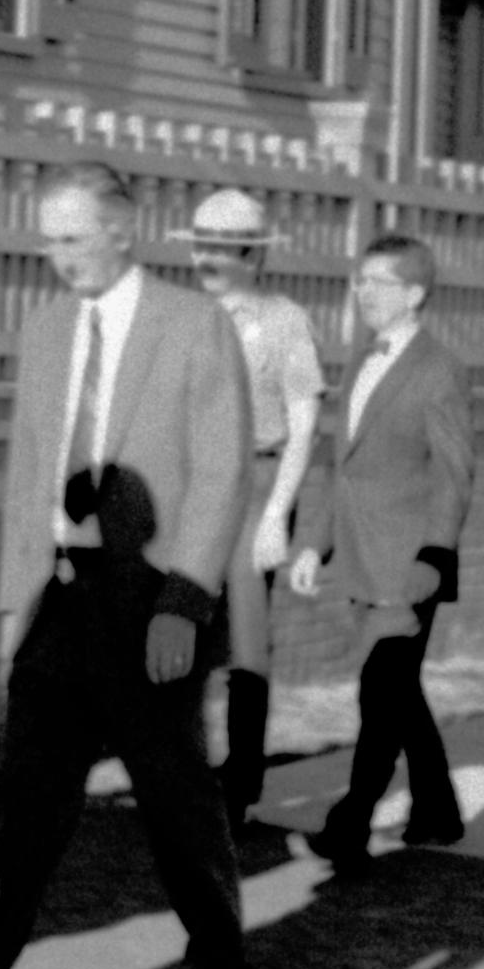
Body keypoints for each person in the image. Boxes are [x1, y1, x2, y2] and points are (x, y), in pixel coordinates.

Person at [0, 161, 254, 969]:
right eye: (48, 239)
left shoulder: (194, 324)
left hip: (152, 600)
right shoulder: (48, 328)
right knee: (25, 798)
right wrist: (10, 607)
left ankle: (219, 963)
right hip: (60, 598)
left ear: (120, 232)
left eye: (71, 238)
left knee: (175, 799)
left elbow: (223, 470)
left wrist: (184, 601)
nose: (56, 256)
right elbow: (30, 470)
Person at [288, 232, 475, 873]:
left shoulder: (438, 370)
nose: (362, 293)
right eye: (359, 281)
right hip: (363, 562)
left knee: (380, 693)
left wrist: (434, 558)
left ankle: (351, 822)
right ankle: (437, 811)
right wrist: (315, 543)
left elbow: (454, 474)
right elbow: (344, 471)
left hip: (407, 568)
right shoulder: (361, 361)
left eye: (378, 282)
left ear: (415, 293)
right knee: (400, 694)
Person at [183, 187, 323, 830]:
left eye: (221, 246)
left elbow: (304, 421)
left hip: (258, 483)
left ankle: (239, 786)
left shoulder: (285, 320)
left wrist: (277, 514)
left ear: (250, 252)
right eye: (201, 245)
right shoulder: (182, 315)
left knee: (245, 638)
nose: (207, 258)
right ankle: (182, 772)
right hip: (190, 486)